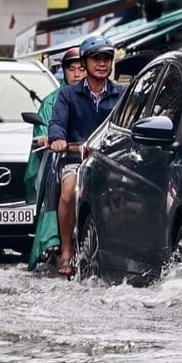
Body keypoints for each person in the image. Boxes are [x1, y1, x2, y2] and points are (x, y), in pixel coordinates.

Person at [47, 36, 125, 276]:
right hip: (76, 161)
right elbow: (57, 123)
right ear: (85, 62)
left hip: (111, 162)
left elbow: (130, 124)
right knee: (69, 192)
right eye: (96, 59)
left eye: (107, 59)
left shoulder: (122, 94)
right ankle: (67, 252)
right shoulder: (68, 96)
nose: (102, 63)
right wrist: (58, 139)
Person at [24, 47, 86, 271]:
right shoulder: (53, 101)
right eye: (72, 69)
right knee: (60, 183)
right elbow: (48, 130)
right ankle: (58, 244)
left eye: (82, 69)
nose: (78, 74)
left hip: (95, 158)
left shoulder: (103, 95)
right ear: (64, 72)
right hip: (63, 159)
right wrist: (49, 140)